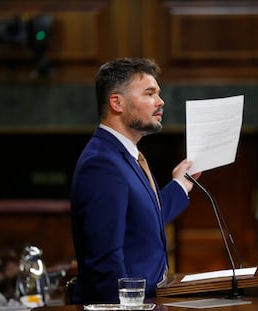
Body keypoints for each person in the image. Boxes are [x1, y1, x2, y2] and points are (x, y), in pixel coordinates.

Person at [70, 57, 201, 304]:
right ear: (117, 102)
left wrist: (180, 185)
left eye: (158, 94)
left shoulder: (124, 155)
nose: (161, 102)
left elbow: (141, 220)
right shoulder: (102, 164)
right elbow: (105, 261)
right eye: (149, 93)